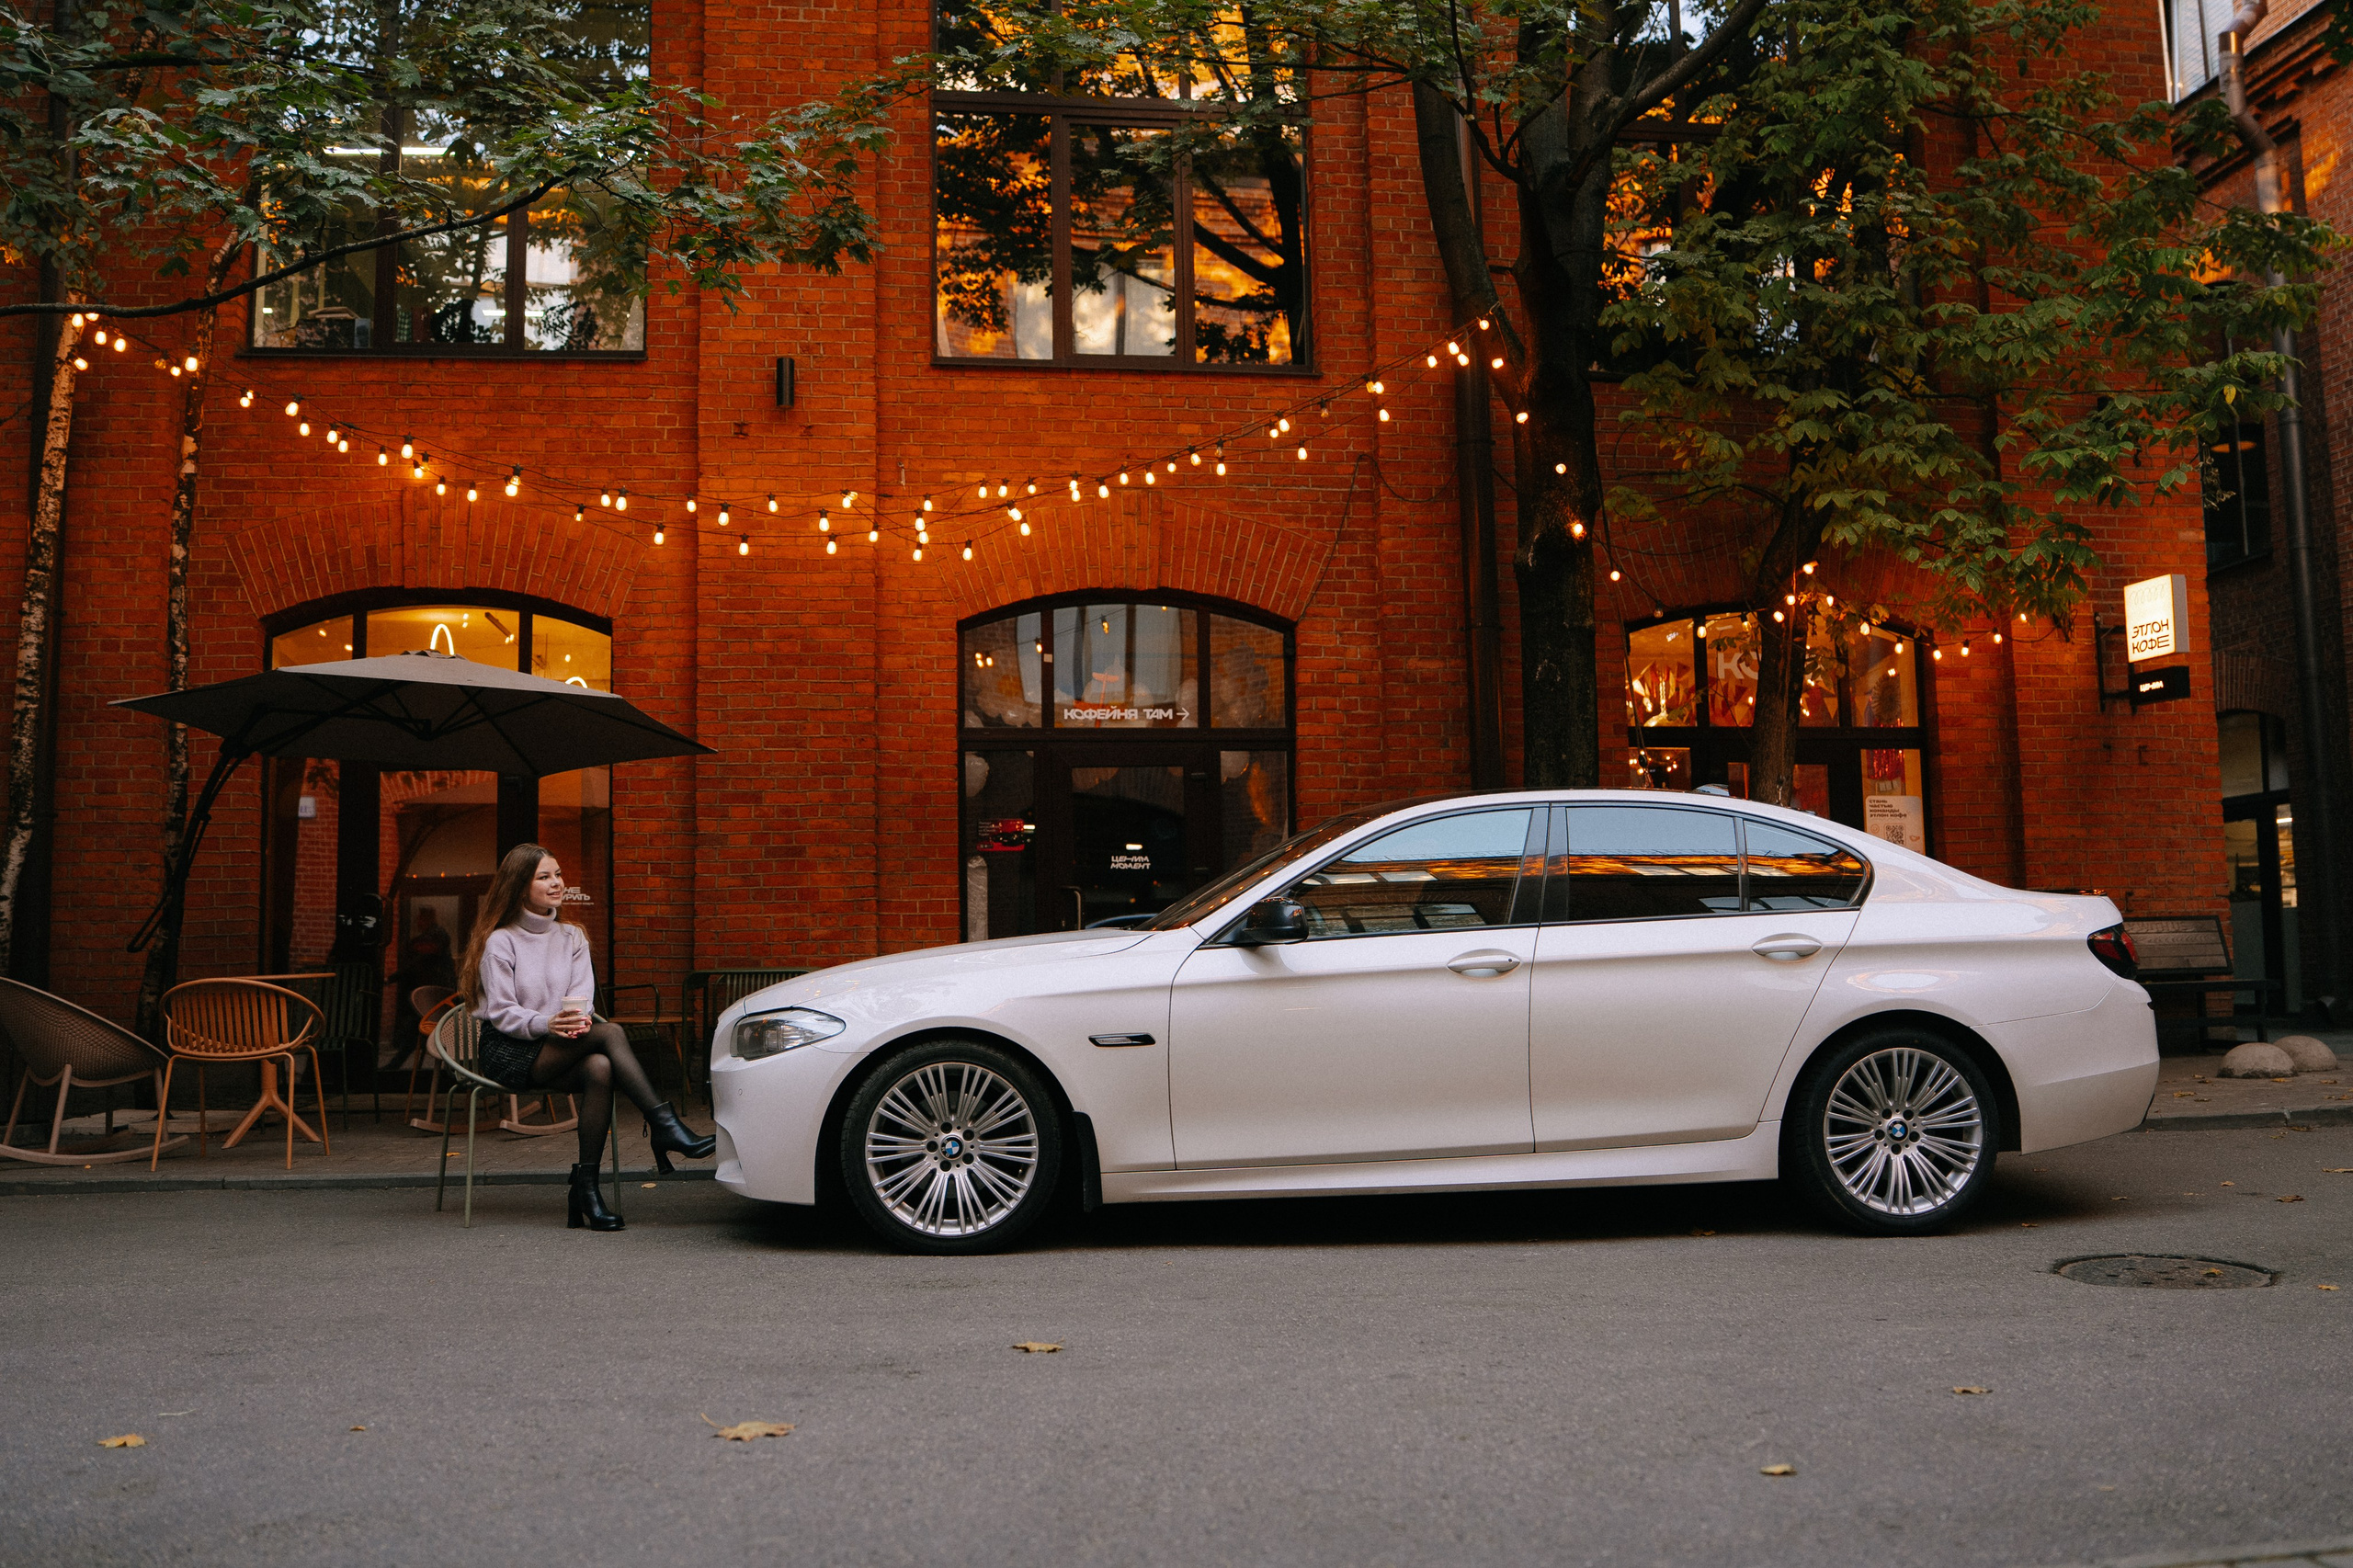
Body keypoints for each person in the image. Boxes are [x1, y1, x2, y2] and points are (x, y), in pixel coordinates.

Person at [455, 842, 713, 1231]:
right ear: (520, 886)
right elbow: (502, 1013)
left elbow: (581, 1000)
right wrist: (547, 1023)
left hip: (559, 1045)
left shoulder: (572, 937)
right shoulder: (500, 942)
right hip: (509, 1049)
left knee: (600, 1067)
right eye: (544, 877)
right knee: (611, 1033)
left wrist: (570, 1022)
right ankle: (664, 1125)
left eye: (558, 874)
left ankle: (586, 1189)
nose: (556, 883)